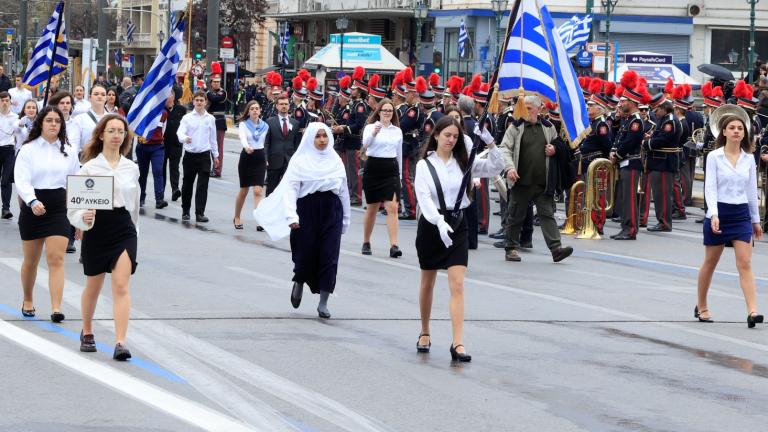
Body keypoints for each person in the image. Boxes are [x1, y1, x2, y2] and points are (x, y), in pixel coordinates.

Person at [414, 116, 504, 362]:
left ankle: (458, 342)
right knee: (427, 282)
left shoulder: (465, 162)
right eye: (447, 136)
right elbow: (423, 197)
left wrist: (491, 142)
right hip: (432, 226)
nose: (451, 140)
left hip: (457, 225)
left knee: (457, 283)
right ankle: (425, 331)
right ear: (436, 136)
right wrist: (437, 221)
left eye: (455, 136)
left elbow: (497, 167)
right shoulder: (424, 165)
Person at [254, 122, 350, 319]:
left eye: (325, 136)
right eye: (318, 136)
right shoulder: (300, 162)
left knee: (329, 256)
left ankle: (323, 302)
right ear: (311, 139)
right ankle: (299, 280)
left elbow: (344, 192)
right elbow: (291, 190)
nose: (322, 140)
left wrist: (345, 220)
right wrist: (291, 215)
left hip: (332, 210)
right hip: (306, 210)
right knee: (305, 254)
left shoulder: (336, 161)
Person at [68, 114, 140, 360]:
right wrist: (82, 220)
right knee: (94, 286)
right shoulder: (89, 168)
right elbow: (74, 208)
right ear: (101, 135)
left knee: (121, 285)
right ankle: (87, 331)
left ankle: (120, 342)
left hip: (123, 227)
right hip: (97, 228)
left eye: (121, 131)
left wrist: (135, 231)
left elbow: (134, 205)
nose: (117, 135)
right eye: (111, 131)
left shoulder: (132, 168)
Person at [696, 114, 763, 327]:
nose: (736, 131)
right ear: (723, 132)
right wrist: (713, 214)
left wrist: (756, 220)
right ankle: (702, 305)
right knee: (710, 262)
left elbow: (752, 191)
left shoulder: (749, 159)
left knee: (745, 263)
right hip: (720, 213)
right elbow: (710, 188)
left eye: (740, 128)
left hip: (741, 213)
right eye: (732, 128)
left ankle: (752, 311)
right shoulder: (714, 157)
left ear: (744, 133)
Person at [15, 106, 80, 322]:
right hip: (33, 206)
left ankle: (56, 307)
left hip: (58, 207)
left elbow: (75, 182)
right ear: (41, 123)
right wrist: (32, 200)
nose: (54, 124)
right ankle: (27, 299)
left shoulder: (68, 150)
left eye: (57, 121)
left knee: (56, 258)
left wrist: (78, 215)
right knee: (31, 261)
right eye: (49, 120)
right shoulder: (28, 149)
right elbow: (22, 180)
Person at [500, 95, 574, 262]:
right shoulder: (515, 127)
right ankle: (511, 247)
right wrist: (510, 168)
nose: (525, 111)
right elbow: (505, 148)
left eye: (529, 108)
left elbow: (561, 145)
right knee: (515, 215)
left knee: (547, 214)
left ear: (539, 109)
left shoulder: (548, 127)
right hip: (521, 180)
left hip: (543, 182)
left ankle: (556, 249)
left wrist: (554, 149)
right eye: (524, 107)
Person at [360, 98, 403, 257]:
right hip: (373, 168)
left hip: (391, 170)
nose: (387, 113)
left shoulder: (397, 131)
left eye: (390, 111)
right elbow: (365, 146)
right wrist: (373, 133)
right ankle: (366, 241)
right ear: (379, 112)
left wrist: (400, 178)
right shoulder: (371, 127)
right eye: (384, 110)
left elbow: (399, 155)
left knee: (392, 207)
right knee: (372, 208)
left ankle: (394, 245)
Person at [177, 91, 219, 222]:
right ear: (193, 102)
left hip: (204, 156)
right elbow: (180, 132)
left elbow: (213, 139)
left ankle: (200, 213)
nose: (199, 102)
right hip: (190, 155)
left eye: (202, 100)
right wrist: (185, 138)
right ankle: (185, 211)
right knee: (187, 184)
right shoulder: (187, 118)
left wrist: (216, 156)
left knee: (202, 185)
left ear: (205, 102)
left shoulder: (210, 119)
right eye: (197, 100)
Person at [234, 100, 268, 230]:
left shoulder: (265, 126)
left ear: (260, 111)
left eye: (257, 108)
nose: (255, 110)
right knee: (244, 190)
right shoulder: (244, 125)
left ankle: (260, 220)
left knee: (258, 190)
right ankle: (237, 216)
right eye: (252, 108)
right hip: (247, 157)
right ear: (248, 111)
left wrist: (267, 157)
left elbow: (266, 143)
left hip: (259, 158)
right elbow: (242, 138)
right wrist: (247, 147)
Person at [263, 95, 301, 196]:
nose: (284, 106)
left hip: (289, 161)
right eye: (281, 104)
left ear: (289, 106)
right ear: (276, 106)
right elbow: (266, 143)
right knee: (271, 189)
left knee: (288, 190)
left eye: (286, 104)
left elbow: (297, 144)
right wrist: (265, 158)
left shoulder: (295, 123)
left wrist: (297, 160)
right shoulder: (270, 122)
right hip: (274, 160)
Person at [164, 86, 186, 202]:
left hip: (175, 144)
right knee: (161, 169)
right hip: (162, 144)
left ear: (172, 97)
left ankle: (175, 189)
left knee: (174, 168)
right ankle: (160, 192)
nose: (166, 98)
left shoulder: (181, 110)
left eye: (168, 96)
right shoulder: (160, 109)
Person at [72, 84, 108, 155]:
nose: (99, 96)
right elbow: (74, 145)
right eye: (96, 94)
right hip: (86, 160)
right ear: (90, 97)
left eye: (103, 94)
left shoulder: (112, 118)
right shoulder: (79, 119)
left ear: (106, 98)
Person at [0, 92, 17, 219]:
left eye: (6, 100)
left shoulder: (15, 117)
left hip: (9, 150)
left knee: (6, 180)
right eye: (2, 100)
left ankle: (6, 209)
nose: (4, 103)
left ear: (10, 102)